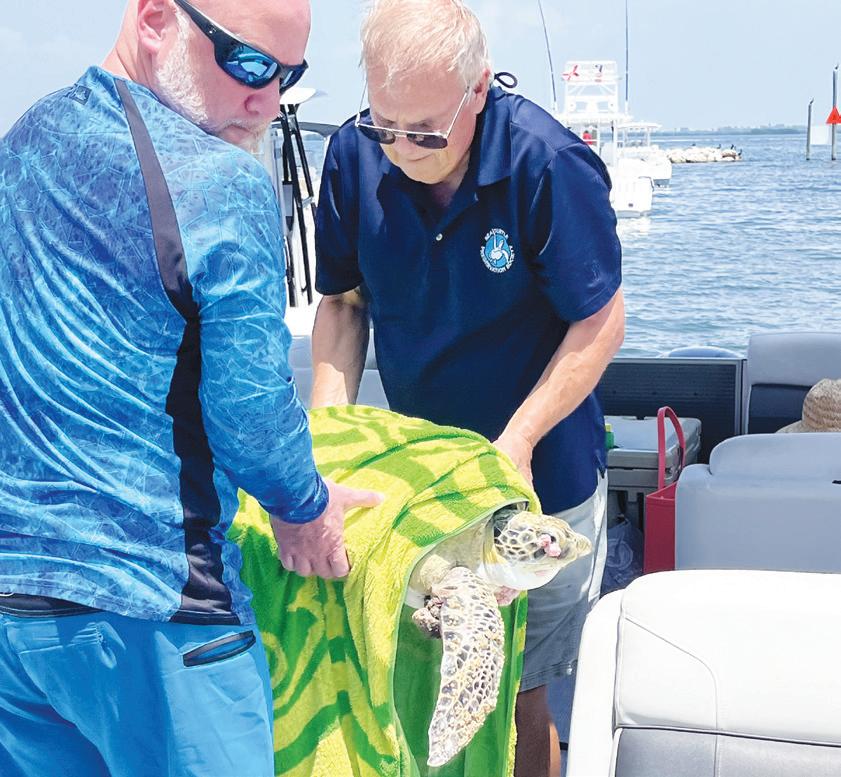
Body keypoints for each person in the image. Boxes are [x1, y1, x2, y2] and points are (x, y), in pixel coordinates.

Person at [0, 1, 379, 775]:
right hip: (158, 613)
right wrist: (305, 510)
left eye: (288, 76)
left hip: (15, 623)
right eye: (248, 64)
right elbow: (249, 414)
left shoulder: (23, 144)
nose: (266, 101)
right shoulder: (222, 181)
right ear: (153, 20)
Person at [309, 1, 624, 774]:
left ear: (478, 88)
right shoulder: (353, 154)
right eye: (385, 125)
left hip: (536, 475)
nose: (401, 149)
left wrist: (516, 440)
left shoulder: (547, 164)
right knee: (410, 673)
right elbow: (343, 304)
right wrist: (325, 439)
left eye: (424, 131)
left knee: (518, 691)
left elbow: (601, 322)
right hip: (421, 474)